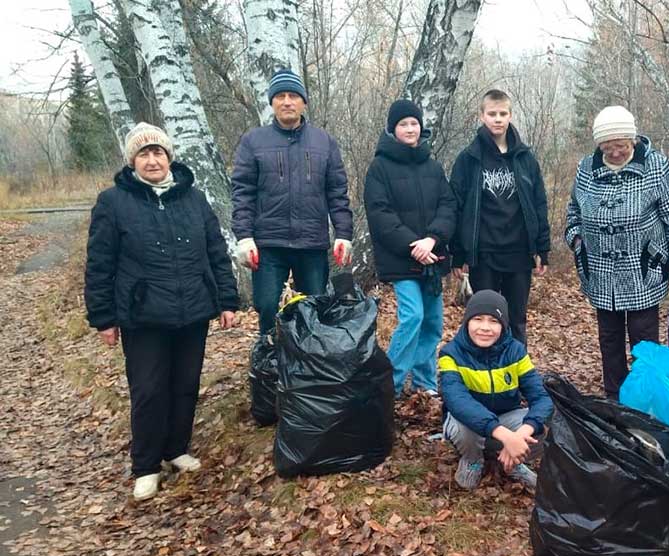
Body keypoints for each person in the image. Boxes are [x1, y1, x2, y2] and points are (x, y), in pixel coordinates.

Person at [84, 122, 239, 501]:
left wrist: (227, 300)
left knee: (185, 384)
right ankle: (146, 466)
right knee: (149, 390)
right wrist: (103, 317)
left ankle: (176, 449)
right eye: (143, 153)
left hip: (193, 309)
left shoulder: (194, 198)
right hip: (143, 315)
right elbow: (100, 263)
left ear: (169, 158)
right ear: (132, 161)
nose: (152, 160)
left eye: (158, 152)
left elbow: (216, 251)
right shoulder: (113, 202)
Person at [565, 105, 669, 400]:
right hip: (600, 273)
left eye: (621, 146)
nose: (615, 153)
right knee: (609, 339)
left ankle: (644, 397)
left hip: (644, 270)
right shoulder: (586, 169)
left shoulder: (656, 166)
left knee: (643, 340)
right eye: (607, 147)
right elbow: (572, 212)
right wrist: (576, 240)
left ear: (633, 141)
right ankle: (615, 397)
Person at [231, 68, 354, 334]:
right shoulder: (253, 141)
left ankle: (310, 362)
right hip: (268, 243)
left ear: (303, 102)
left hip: (311, 242)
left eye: (293, 96)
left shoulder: (324, 142)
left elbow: (337, 191)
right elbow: (242, 192)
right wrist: (244, 236)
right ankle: (269, 360)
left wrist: (344, 233)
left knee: (314, 305)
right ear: (272, 102)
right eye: (281, 96)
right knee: (266, 306)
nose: (287, 101)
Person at [364, 100, 457, 397]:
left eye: (414, 123)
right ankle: (390, 385)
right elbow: (380, 214)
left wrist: (432, 238)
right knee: (413, 315)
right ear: (393, 129)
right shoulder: (379, 167)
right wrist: (412, 245)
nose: (409, 128)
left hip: (432, 255)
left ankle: (424, 384)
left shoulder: (433, 165)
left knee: (432, 322)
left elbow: (448, 205)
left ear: (421, 127)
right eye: (403, 124)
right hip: (401, 259)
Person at [450, 89, 551, 345]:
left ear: (510, 115)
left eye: (502, 114)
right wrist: (459, 255)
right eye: (492, 113)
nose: (497, 119)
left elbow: (539, 204)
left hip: (518, 253)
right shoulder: (469, 159)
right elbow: (457, 207)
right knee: (483, 320)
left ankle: (516, 377)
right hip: (483, 254)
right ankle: (482, 375)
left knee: (516, 319)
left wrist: (542, 249)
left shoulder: (525, 158)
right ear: (482, 115)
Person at [439, 290, 553, 491]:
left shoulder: (515, 351)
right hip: (469, 425)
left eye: (493, 321)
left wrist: (521, 434)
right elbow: (458, 401)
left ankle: (511, 460)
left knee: (543, 427)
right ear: (467, 322)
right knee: (464, 429)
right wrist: (506, 436)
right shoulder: (451, 354)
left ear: (503, 325)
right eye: (477, 319)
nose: (485, 328)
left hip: (505, 417)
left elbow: (542, 397)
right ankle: (472, 460)